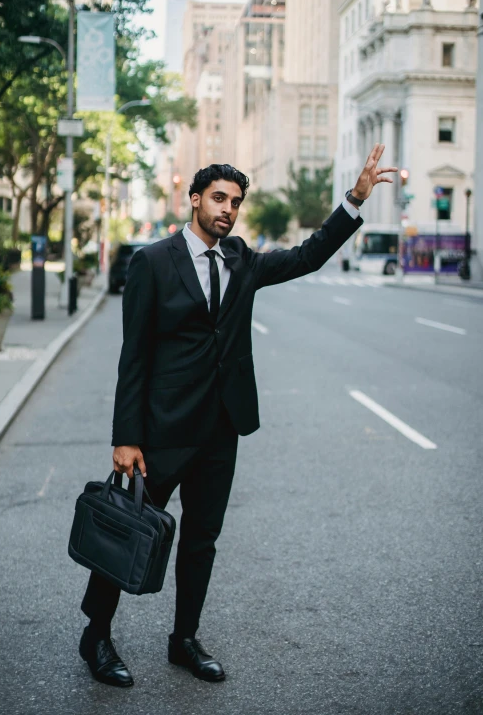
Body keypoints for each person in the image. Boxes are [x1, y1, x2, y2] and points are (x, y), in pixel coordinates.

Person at [79, 144, 397, 687]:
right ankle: (96, 635)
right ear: (196, 199)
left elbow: (306, 256)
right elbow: (133, 356)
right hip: (161, 431)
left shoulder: (241, 259)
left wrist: (354, 200)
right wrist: (126, 436)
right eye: (219, 198)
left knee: (201, 540)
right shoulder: (153, 261)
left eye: (236, 201)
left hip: (220, 429)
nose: (228, 208)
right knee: (127, 533)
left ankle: (183, 640)